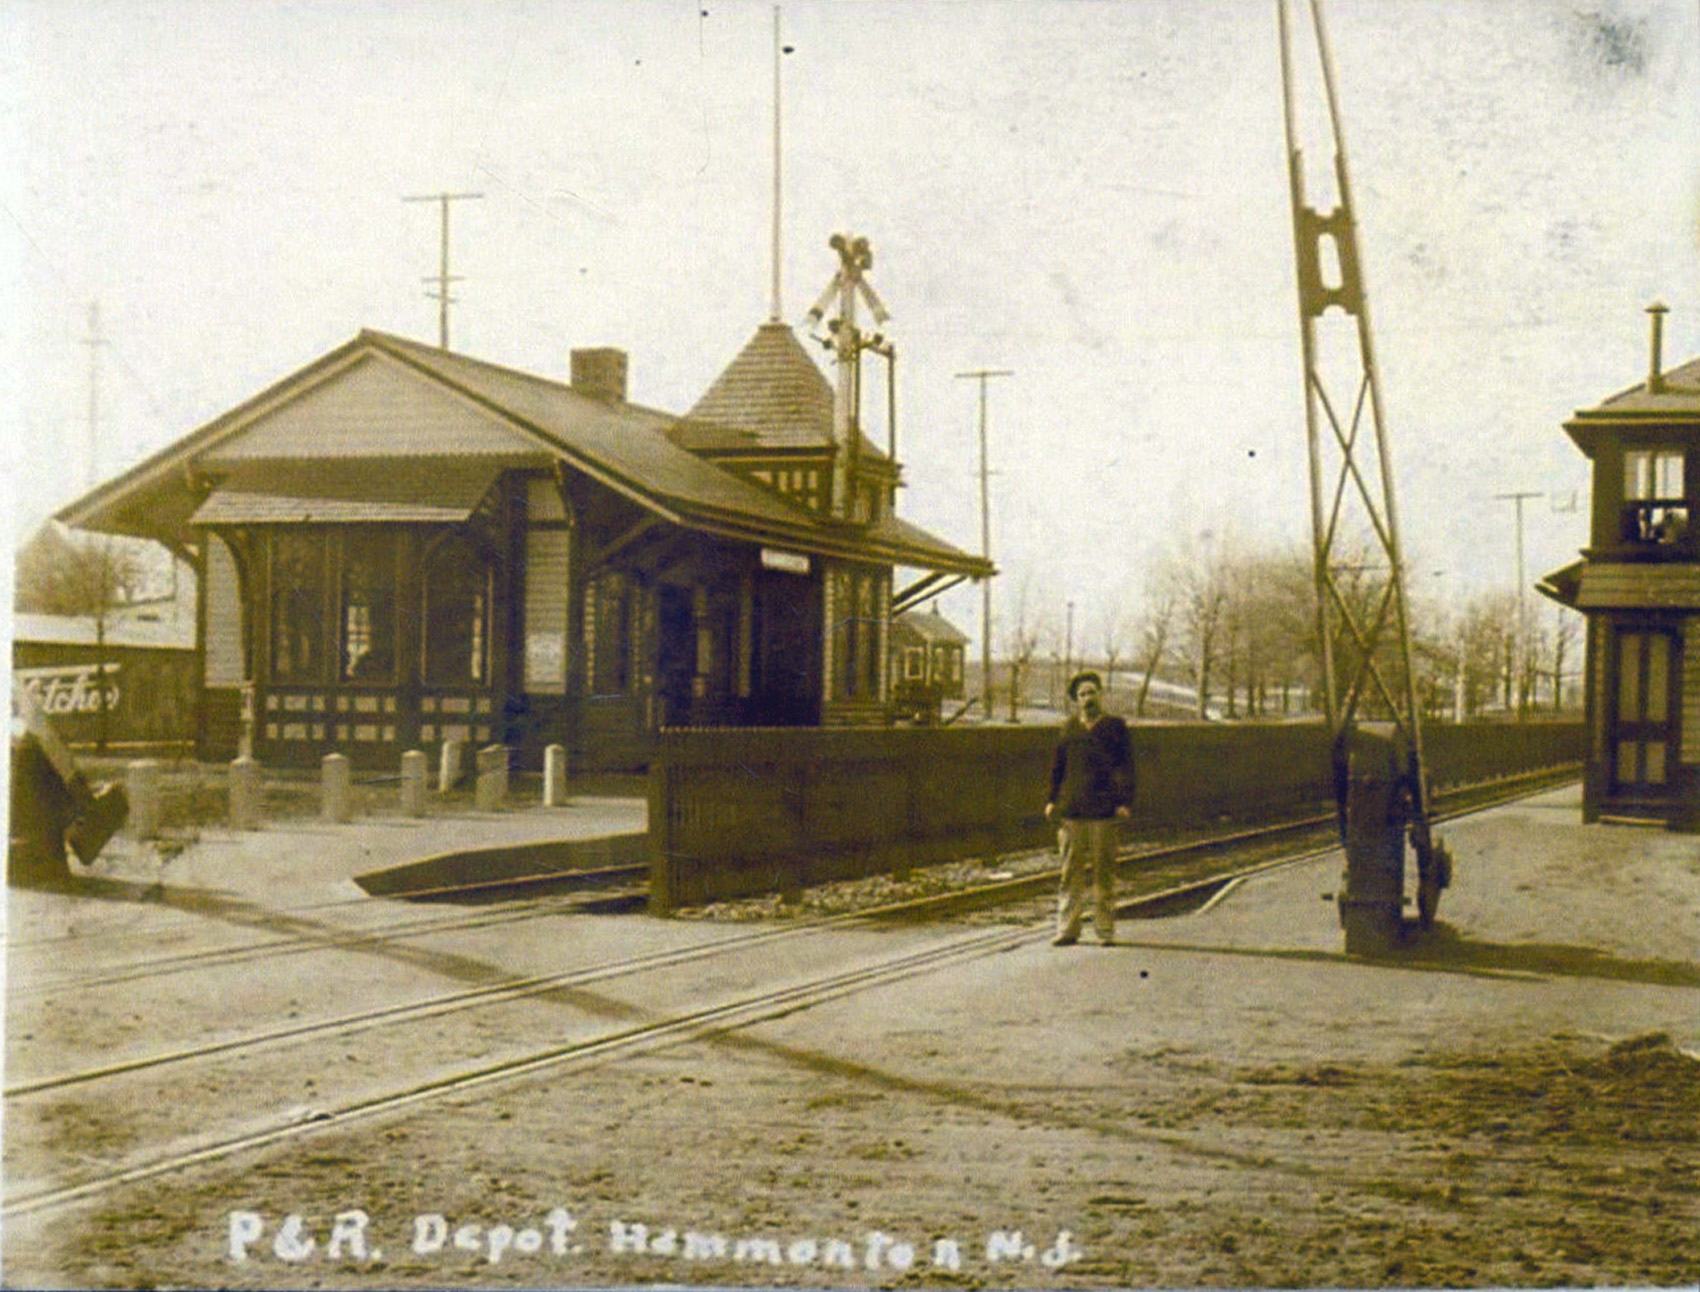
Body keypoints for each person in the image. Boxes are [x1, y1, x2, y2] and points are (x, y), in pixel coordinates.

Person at [1045, 670, 1136, 946]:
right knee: (1069, 873)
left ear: (1100, 694)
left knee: (1103, 872)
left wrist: (1124, 802)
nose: (1088, 698)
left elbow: (1127, 766)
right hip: (1072, 811)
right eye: (1082, 694)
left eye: (1092, 692)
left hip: (1103, 811)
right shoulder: (1069, 728)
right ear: (1076, 700)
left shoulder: (1115, 727)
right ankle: (1067, 929)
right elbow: (1057, 767)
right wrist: (1051, 800)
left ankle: (1105, 930)